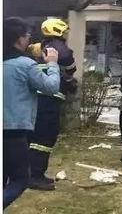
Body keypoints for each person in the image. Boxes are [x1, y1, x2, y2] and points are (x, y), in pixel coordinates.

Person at [3, 17, 60, 208]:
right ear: (18, 39)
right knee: (20, 180)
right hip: (14, 131)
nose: (29, 39)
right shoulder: (25, 65)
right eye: (27, 35)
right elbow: (51, 87)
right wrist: (52, 64)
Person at [29, 18, 77, 191]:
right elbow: (70, 66)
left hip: (39, 99)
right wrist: (69, 77)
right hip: (50, 99)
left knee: (36, 136)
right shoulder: (59, 47)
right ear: (58, 31)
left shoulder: (41, 46)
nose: (65, 35)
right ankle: (35, 176)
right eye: (64, 32)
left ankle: (34, 173)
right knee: (45, 137)